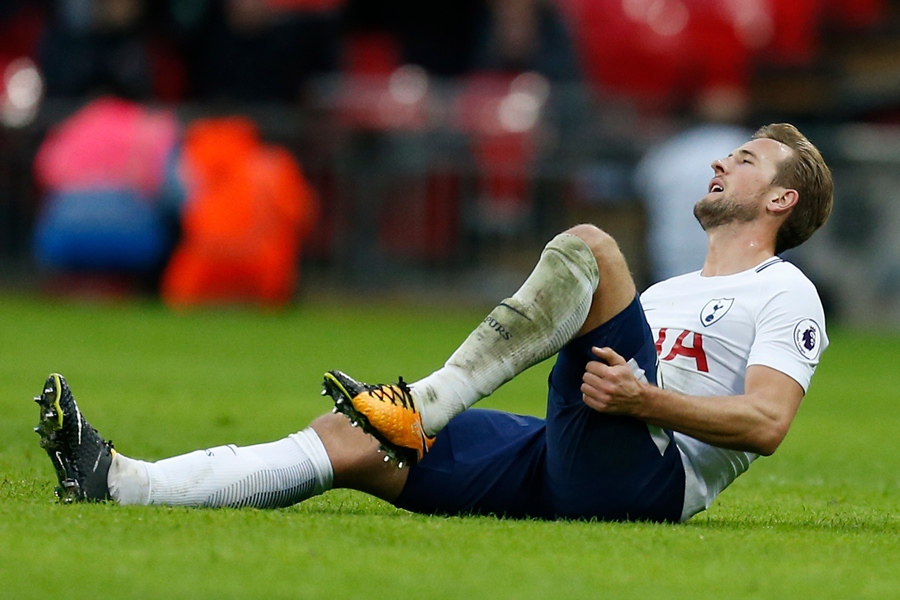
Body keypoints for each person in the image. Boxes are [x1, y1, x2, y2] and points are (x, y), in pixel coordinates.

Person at [34, 123, 833, 522]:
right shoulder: (664, 296)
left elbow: (766, 423)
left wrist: (646, 403)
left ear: (780, 200)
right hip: (580, 451)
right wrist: (629, 401)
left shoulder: (785, 291)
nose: (723, 161)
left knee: (591, 246)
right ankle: (120, 482)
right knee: (353, 441)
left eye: (749, 160)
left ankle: (429, 400)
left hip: (649, 480)